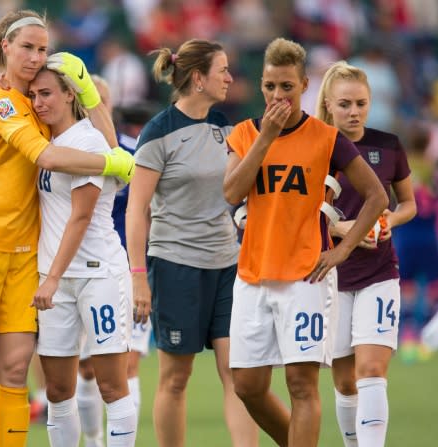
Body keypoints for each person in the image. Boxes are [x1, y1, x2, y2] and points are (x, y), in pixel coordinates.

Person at [0, 9, 135, 447]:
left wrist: (88, 93)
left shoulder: (38, 101)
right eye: (26, 47)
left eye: (42, 49)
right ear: (4, 48)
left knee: (13, 370)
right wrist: (112, 162)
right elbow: (46, 158)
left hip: (26, 255)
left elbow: (94, 133)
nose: (34, 57)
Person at [222, 37, 388, 447]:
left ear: (303, 86)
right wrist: (267, 136)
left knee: (301, 384)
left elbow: (377, 197)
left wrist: (342, 250)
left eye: (287, 87)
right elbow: (230, 193)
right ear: (261, 86)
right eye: (270, 86)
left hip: (306, 277)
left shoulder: (326, 138)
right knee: (247, 385)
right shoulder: (245, 133)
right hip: (253, 274)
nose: (277, 95)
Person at [125, 39, 259, 447]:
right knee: (176, 378)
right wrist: (138, 278)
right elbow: (136, 211)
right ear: (198, 79)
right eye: (222, 70)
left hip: (227, 265)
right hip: (175, 266)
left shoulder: (229, 128)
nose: (230, 78)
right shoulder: (158, 132)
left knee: (238, 375)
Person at [29, 64, 137, 447]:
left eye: (47, 93)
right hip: (56, 278)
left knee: (111, 384)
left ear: (70, 94)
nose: (39, 102)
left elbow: (81, 215)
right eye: (34, 95)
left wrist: (52, 277)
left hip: (97, 274)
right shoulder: (44, 138)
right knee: (58, 390)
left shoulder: (88, 141)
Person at [316, 61, 416, 447]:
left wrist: (389, 218)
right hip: (332, 275)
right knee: (344, 380)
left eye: (361, 103)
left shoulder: (388, 144)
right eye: (344, 104)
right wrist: (342, 229)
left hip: (379, 273)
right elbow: (298, 212)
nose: (353, 111)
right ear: (328, 102)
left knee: (372, 369)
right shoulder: (315, 146)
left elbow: (408, 203)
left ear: (371, 103)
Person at [74, 75, 155, 447]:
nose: (95, 108)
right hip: (76, 273)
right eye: (90, 100)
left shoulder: (131, 155)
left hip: (126, 270)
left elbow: (151, 212)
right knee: (86, 370)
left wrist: (144, 272)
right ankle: (92, 439)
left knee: (127, 364)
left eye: (101, 101)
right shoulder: (60, 151)